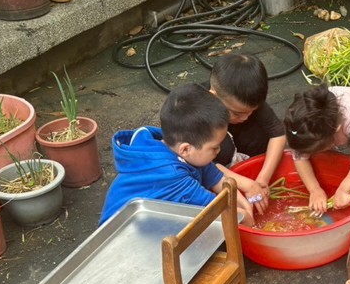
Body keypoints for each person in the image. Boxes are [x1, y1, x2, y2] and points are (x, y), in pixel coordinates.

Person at [99, 83, 256, 223]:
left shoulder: (180, 147)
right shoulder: (171, 175)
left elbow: (216, 178)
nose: (219, 150)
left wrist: (245, 205)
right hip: (122, 233)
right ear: (186, 149)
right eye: (214, 148)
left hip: (150, 221)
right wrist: (248, 220)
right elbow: (219, 209)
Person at [277, 85, 350, 215]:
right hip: (345, 134)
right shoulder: (303, 125)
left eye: (316, 150)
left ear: (336, 131)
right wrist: (314, 190)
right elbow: (299, 157)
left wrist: (344, 189)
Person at [209, 53, 286, 210]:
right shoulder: (196, 111)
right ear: (214, 96)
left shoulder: (245, 98)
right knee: (223, 148)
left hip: (244, 150)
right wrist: (245, 184)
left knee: (260, 131)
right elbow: (201, 164)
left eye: (252, 111)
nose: (245, 117)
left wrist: (262, 179)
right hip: (214, 166)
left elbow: (278, 134)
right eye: (237, 113)